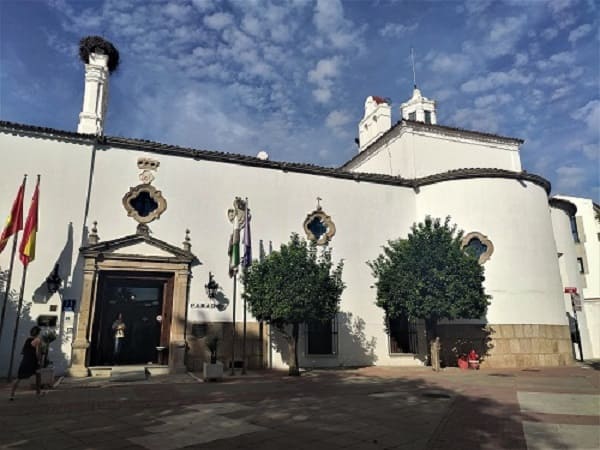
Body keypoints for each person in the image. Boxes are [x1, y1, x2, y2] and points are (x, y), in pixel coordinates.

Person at [9, 326, 43, 400]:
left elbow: (23, 351)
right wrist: (39, 360)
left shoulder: (27, 339)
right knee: (38, 376)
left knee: (19, 377)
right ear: (37, 333)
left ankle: (12, 394)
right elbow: (37, 353)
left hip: (25, 360)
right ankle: (38, 393)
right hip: (33, 361)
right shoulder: (38, 340)